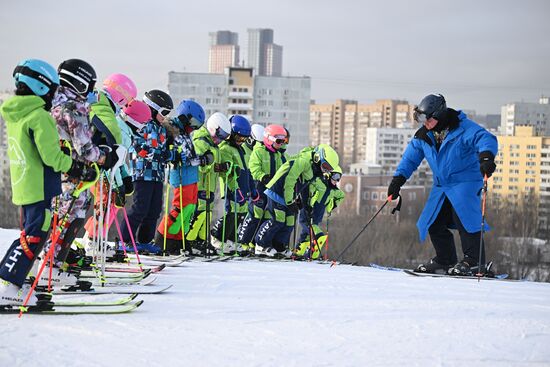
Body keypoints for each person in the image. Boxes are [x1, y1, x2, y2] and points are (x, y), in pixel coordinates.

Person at [0, 59, 91, 305]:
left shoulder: (17, 113)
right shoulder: (40, 117)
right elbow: (51, 157)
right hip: (40, 185)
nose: (54, 95)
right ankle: (10, 284)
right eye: (52, 89)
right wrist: (75, 167)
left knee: (30, 232)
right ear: (41, 88)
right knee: (35, 235)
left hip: (24, 183)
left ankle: (12, 279)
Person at [387, 93, 498, 275]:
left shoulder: (462, 128)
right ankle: (445, 260)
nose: (424, 123)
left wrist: (486, 157)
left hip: (466, 181)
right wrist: (398, 180)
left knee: (465, 217)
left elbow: (485, 138)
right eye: (420, 119)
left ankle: (474, 261)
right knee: (433, 220)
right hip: (442, 184)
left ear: (438, 115)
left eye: (427, 119)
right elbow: (410, 158)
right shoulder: (424, 135)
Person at [45, 59, 118, 279]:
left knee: (66, 218)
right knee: (68, 218)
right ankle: (52, 266)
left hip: (65, 172)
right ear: (79, 82)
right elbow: (84, 148)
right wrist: (105, 156)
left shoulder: (55, 103)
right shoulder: (72, 107)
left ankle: (54, 264)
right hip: (74, 173)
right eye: (89, 85)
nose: (91, 91)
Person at [255, 144, 339, 257]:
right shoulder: (303, 161)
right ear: (318, 157)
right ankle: (261, 245)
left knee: (289, 222)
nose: (325, 170)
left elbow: (305, 187)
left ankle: (279, 246)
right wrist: (290, 201)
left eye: (329, 169)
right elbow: (289, 181)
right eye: (325, 165)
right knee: (278, 220)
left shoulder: (315, 169)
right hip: (277, 190)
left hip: (289, 195)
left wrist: (306, 205)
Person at [153, 100, 211, 254]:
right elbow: (176, 155)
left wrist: (202, 157)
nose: (194, 127)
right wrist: (200, 159)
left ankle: (179, 240)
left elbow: (189, 155)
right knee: (180, 209)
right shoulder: (170, 129)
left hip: (191, 175)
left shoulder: (185, 133)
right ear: (185, 116)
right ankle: (162, 238)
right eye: (193, 123)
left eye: (197, 125)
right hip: (180, 174)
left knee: (190, 209)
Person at [119, 90, 172, 252]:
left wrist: (170, 155)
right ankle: (124, 240)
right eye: (163, 113)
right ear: (153, 109)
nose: (165, 117)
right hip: (142, 173)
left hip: (157, 174)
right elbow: (138, 146)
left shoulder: (162, 129)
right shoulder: (143, 124)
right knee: (140, 208)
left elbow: (164, 149)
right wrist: (159, 155)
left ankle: (145, 240)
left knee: (155, 209)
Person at [186, 112, 231, 255]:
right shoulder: (200, 142)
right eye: (220, 135)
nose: (220, 140)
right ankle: (190, 240)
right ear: (213, 128)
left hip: (210, 186)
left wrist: (223, 167)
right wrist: (214, 165)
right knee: (199, 213)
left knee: (207, 214)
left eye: (224, 137)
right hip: (200, 185)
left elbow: (214, 163)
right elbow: (199, 164)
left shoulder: (214, 146)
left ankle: (201, 240)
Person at [237, 124, 287, 254]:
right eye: (279, 141)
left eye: (284, 141)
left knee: (267, 216)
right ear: (269, 139)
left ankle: (259, 243)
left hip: (272, 189)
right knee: (255, 214)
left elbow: (282, 171)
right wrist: (262, 177)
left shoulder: (278, 155)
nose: (281, 144)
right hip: (259, 186)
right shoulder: (258, 151)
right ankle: (243, 242)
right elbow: (253, 167)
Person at [210, 115, 253, 254]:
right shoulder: (225, 148)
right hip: (232, 186)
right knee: (231, 214)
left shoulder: (241, 150)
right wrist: (235, 186)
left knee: (240, 215)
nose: (241, 142)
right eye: (239, 138)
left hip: (243, 186)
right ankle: (217, 237)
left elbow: (247, 169)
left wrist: (251, 188)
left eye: (244, 139)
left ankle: (231, 239)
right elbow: (228, 170)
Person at [295, 167, 345, 259]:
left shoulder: (334, 191)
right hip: (311, 208)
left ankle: (318, 236)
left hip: (315, 210)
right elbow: (308, 185)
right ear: (329, 174)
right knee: (306, 231)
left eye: (339, 178)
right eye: (336, 176)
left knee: (305, 224)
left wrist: (333, 204)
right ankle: (300, 249)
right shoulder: (320, 182)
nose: (337, 180)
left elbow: (342, 196)